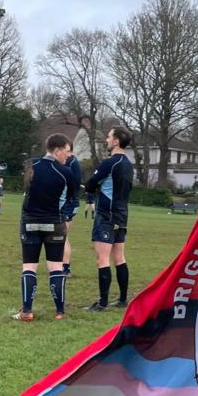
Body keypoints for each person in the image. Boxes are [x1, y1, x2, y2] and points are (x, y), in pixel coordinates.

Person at [14, 134, 77, 321]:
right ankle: (60, 312)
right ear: (57, 151)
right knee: (56, 267)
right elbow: (72, 197)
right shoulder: (66, 173)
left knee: (29, 266)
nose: (68, 156)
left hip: (30, 222)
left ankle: (26, 310)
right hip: (55, 224)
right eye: (66, 152)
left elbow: (27, 190)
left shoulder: (31, 166)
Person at [86, 127, 134, 311]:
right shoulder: (128, 164)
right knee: (120, 258)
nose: (106, 140)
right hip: (122, 215)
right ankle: (122, 299)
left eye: (108, 137)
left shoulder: (110, 163)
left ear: (116, 142)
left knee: (102, 259)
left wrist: (94, 189)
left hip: (106, 215)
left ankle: (102, 303)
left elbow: (90, 184)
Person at [61, 146, 82, 278]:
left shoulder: (71, 163)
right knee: (62, 236)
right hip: (71, 202)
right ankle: (62, 266)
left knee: (62, 237)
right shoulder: (72, 162)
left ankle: (66, 268)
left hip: (68, 203)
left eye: (67, 150)